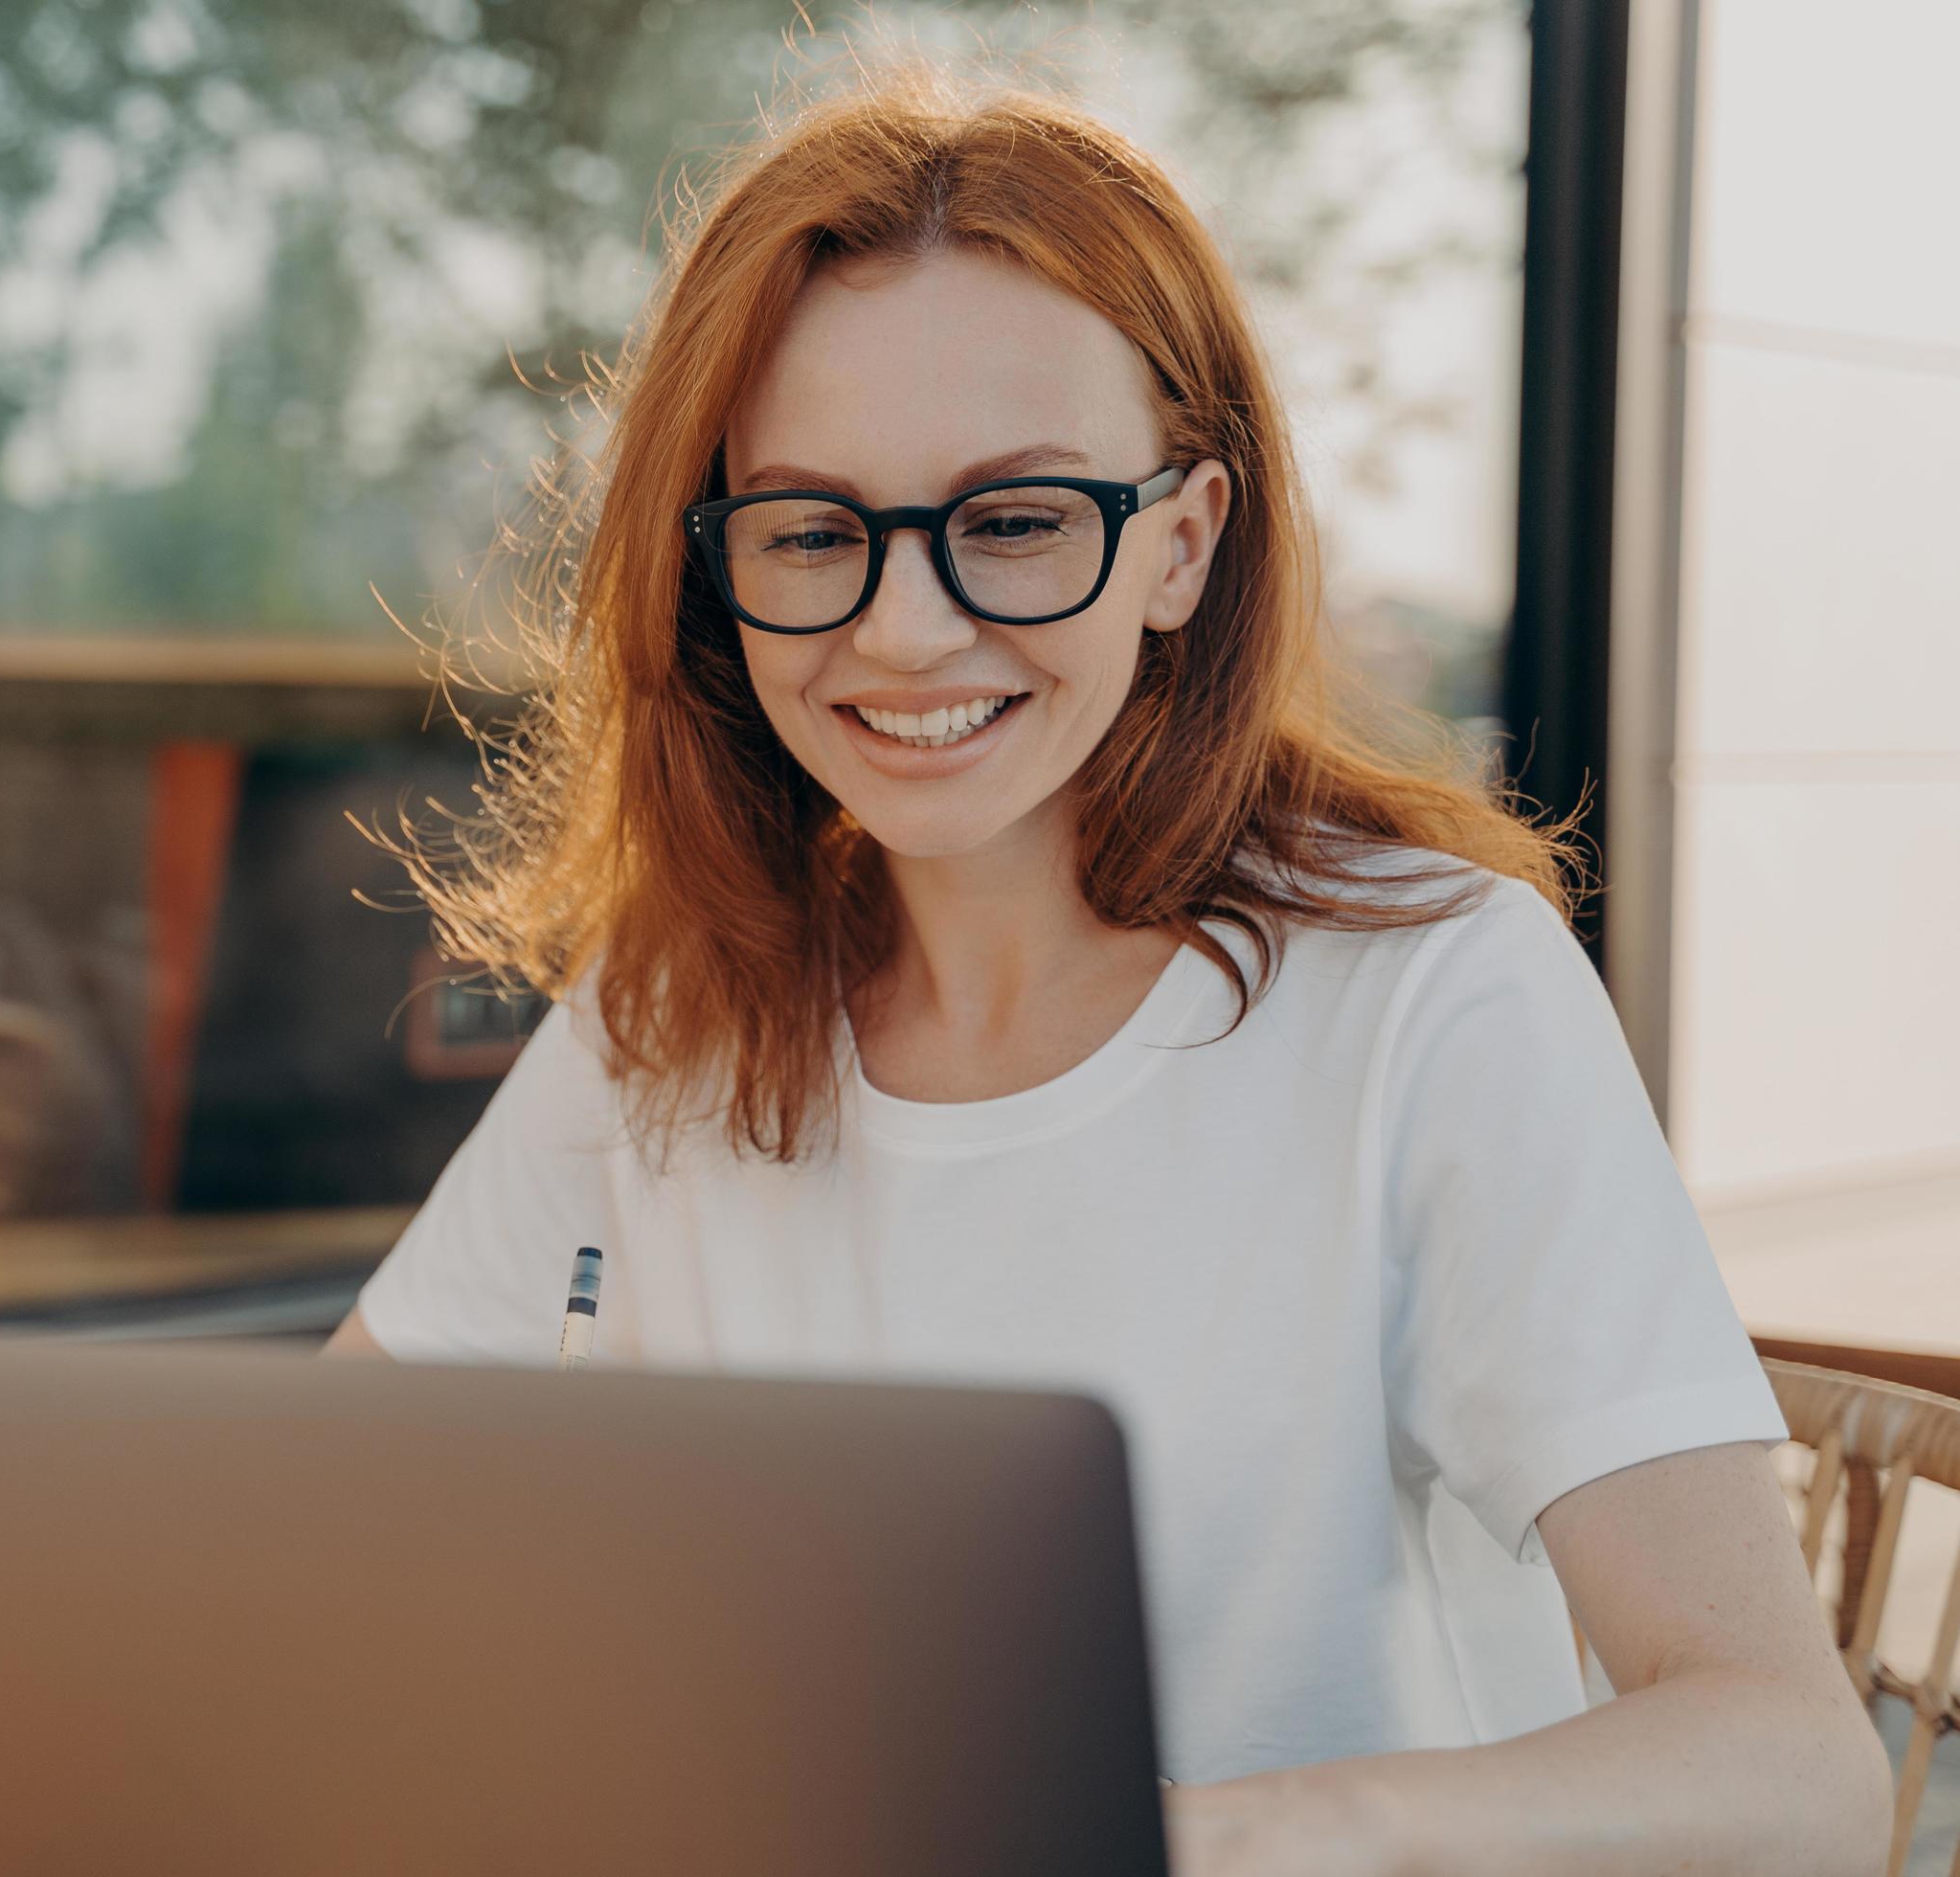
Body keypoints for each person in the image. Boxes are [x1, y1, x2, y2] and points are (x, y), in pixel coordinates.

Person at [323, 61, 1888, 1877]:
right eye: (814, 531)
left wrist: (1185, 1843)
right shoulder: (674, 1011)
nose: (906, 631)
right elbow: (312, 1548)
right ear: (715, 572)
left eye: (1014, 521)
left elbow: (1797, 1771)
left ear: (1182, 542)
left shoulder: (1436, 998)